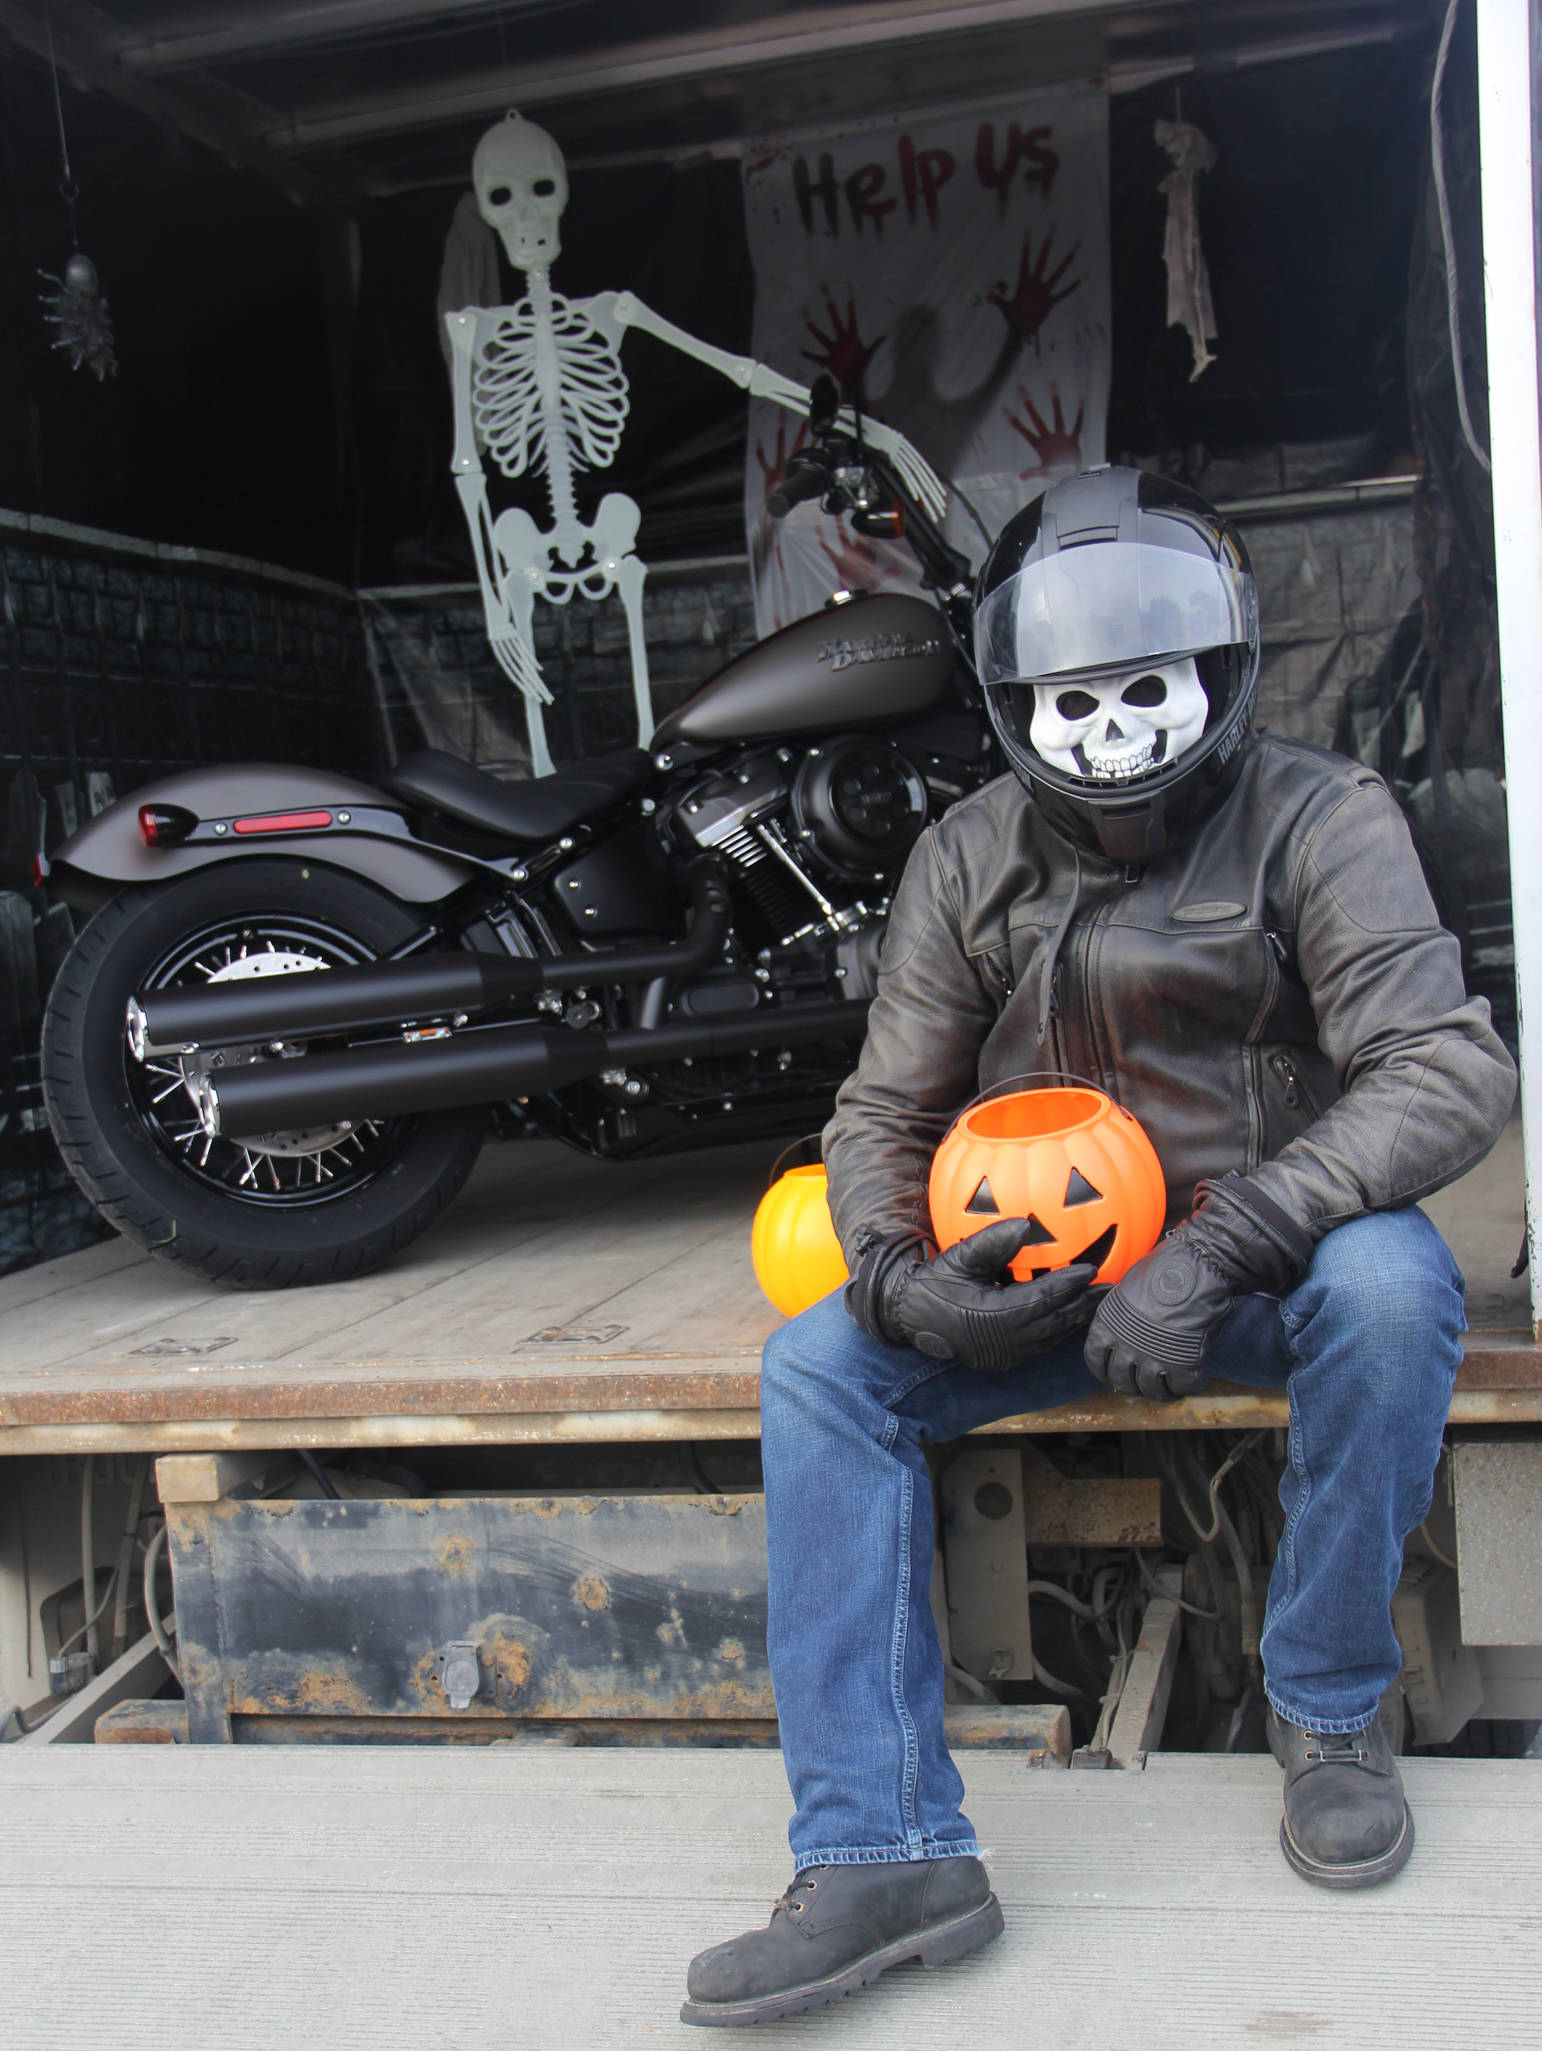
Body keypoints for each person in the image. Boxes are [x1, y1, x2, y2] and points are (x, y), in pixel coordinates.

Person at [679, 467, 1516, 2030]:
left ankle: (1330, 1709)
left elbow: (1448, 1067)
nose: (1114, 731)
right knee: (815, 1369)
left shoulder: (1321, 817)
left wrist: (1231, 1238)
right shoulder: (963, 857)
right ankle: (882, 1851)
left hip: (1262, 1265)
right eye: (1075, 699)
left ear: (1220, 676)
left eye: (1147, 692)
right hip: (1036, 1283)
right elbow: (879, 1111)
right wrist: (895, 1273)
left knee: (1395, 1288)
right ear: (1013, 699)